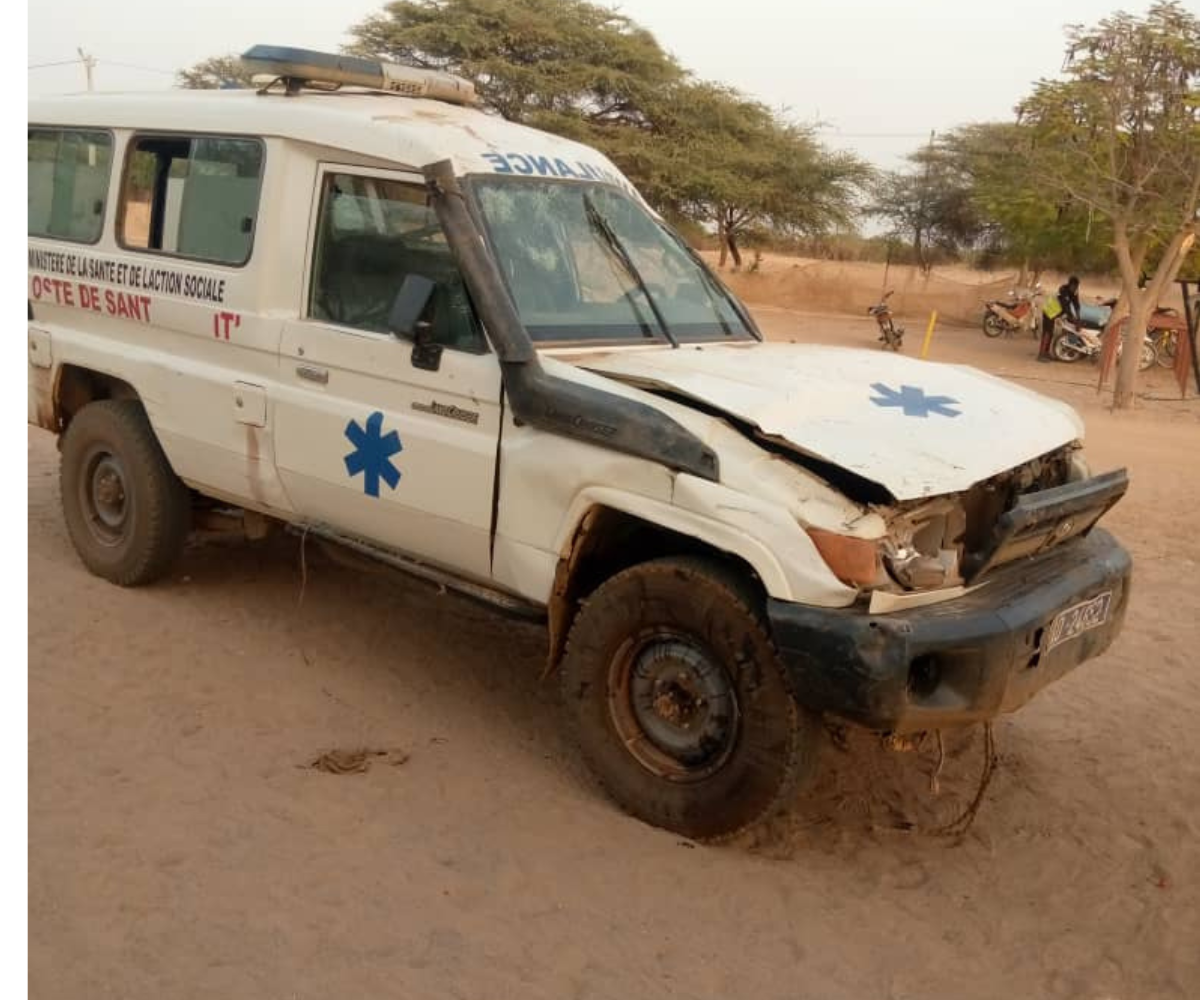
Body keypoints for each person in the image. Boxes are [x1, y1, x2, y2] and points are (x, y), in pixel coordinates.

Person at [1039, 275, 1082, 362]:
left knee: (1051, 333)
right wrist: (1074, 320)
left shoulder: (1073, 292)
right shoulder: (1063, 290)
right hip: (1049, 311)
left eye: (1077, 287)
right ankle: (1041, 354)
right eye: (1074, 286)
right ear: (1070, 285)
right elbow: (1066, 307)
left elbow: (1076, 305)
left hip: (1055, 313)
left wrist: (1078, 317)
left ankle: (1046, 353)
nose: (1075, 288)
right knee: (1047, 333)